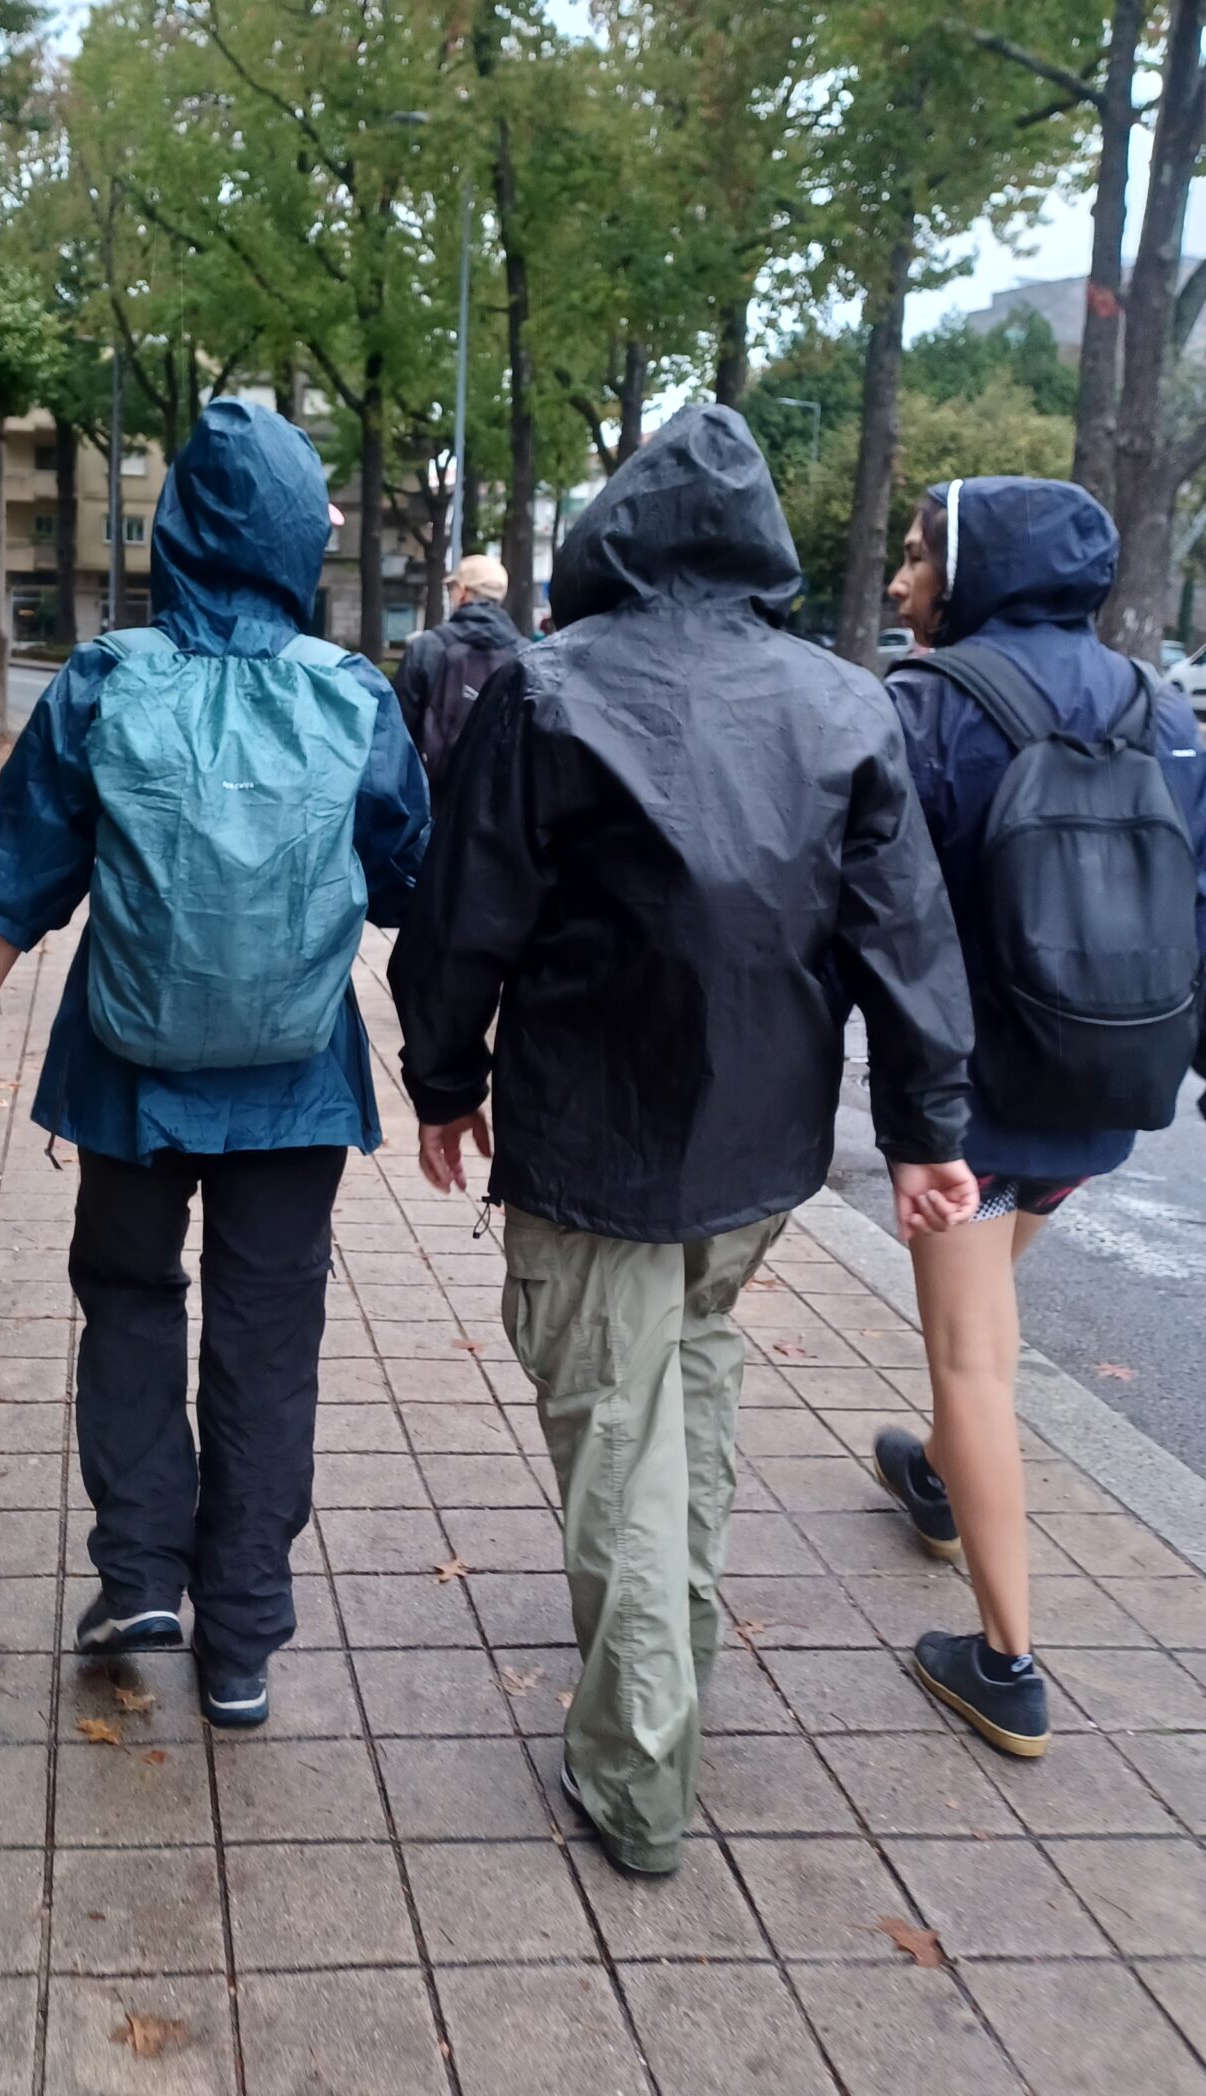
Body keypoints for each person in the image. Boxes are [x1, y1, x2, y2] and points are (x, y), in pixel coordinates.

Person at [390, 406, 976, 1877]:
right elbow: (904, 932)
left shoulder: (547, 691)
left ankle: (638, 1773)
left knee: (622, 1433)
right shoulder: (841, 703)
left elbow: (463, 918)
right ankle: (668, 1675)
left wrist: (445, 1081)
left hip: (596, 1137)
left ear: (618, 533)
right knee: (686, 1397)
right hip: (756, 1149)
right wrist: (925, 1126)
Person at [0, 398, 428, 1728]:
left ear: (176, 532)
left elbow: (26, 866)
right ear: (298, 538)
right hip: (297, 1080)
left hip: (129, 1069)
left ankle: (142, 1570)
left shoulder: (103, 679)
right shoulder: (351, 694)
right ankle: (244, 1636)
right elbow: (403, 886)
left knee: (130, 1296)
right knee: (270, 1334)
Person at [878, 478, 1206, 1755]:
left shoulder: (924, 707)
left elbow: (879, 916)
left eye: (919, 557)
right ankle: (939, 1472)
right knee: (988, 1318)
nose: (902, 581)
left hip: (969, 1101)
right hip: (1109, 1080)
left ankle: (1006, 1662)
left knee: (974, 1360)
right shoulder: (1162, 710)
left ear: (974, 570)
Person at [392, 551, 525, 796]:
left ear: (463, 592)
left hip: (433, 799)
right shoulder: (525, 654)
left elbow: (397, 730)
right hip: (497, 802)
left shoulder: (427, 648)